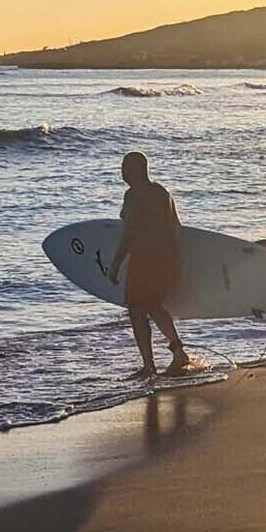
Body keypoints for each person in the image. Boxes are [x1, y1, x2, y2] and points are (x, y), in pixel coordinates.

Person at [108, 150, 192, 377]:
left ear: (134, 171)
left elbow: (129, 232)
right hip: (165, 257)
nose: (122, 172)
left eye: (124, 168)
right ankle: (176, 352)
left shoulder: (133, 195)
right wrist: (179, 263)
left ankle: (151, 365)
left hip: (144, 258)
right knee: (152, 305)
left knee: (137, 309)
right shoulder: (162, 192)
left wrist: (116, 263)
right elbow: (177, 228)